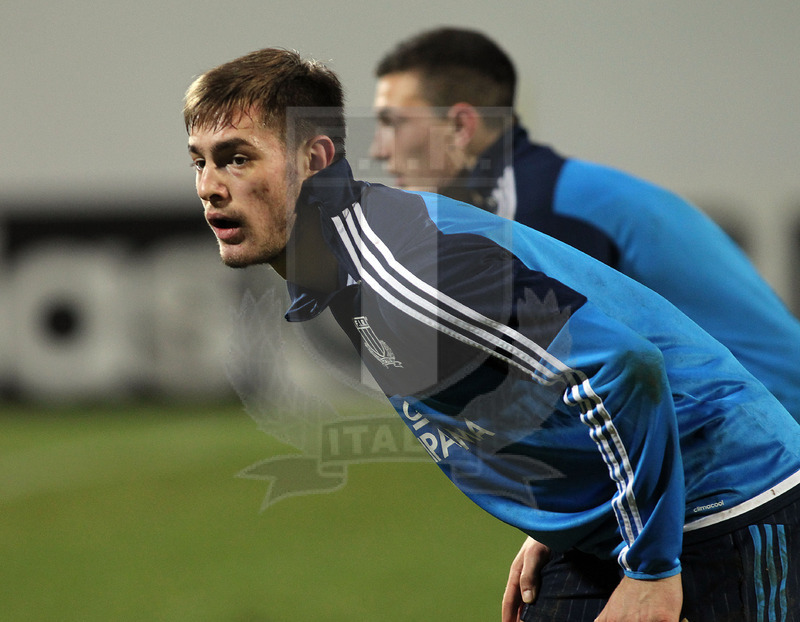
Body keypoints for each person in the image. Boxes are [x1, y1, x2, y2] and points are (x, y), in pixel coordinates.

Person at [183, 47, 800, 621]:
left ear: (315, 160)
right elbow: (522, 388)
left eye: (238, 158)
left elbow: (622, 366)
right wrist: (562, 516)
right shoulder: (354, 253)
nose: (210, 186)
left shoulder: (407, 264)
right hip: (629, 514)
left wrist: (652, 570)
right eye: (200, 161)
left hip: (723, 502)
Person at [371, 27, 800, 426]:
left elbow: (562, 384)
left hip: (770, 433)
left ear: (461, 126)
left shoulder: (543, 211)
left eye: (394, 123)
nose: (379, 150)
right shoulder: (549, 191)